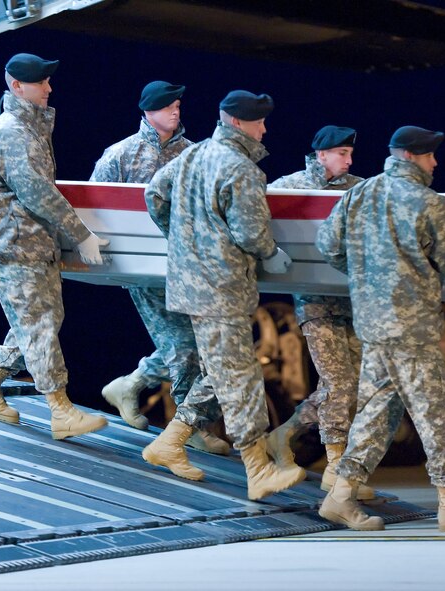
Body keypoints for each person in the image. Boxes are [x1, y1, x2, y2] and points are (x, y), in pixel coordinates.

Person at [315, 126, 445, 532]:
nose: (435, 163)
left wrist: (365, 277)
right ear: (413, 157)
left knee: (378, 410)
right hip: (411, 324)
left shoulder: (359, 194)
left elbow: (328, 245)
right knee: (437, 411)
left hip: (370, 321)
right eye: (430, 156)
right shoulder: (428, 204)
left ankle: (341, 495)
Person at [142, 90, 306, 500]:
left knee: (220, 372)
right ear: (238, 123)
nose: (264, 130)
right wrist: (272, 253)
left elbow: (154, 194)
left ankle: (169, 442)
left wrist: (184, 240)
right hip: (223, 287)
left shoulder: (193, 155)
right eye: (258, 122)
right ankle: (257, 470)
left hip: (188, 282)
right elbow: (251, 233)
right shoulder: (241, 169)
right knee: (241, 377)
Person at [0, 53, 107, 439]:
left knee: (39, 322)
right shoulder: (12, 131)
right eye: (40, 82)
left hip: (29, 243)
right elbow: (37, 193)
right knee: (39, 325)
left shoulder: (28, 129)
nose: (49, 88)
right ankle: (60, 411)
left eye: (47, 81)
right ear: (17, 87)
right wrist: (80, 234)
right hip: (15, 246)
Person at [90, 80, 228, 455]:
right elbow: (96, 211)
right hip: (142, 270)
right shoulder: (120, 155)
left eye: (178, 105)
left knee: (199, 345)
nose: (175, 111)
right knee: (183, 346)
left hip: (189, 268)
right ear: (147, 110)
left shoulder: (194, 153)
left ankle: (131, 384)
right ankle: (191, 427)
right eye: (167, 105)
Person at [265, 126, 374, 499]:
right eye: (342, 153)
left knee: (352, 388)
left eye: (350, 153)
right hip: (315, 301)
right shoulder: (289, 187)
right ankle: (336, 467)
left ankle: (283, 435)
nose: (349, 160)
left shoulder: (360, 188)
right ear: (321, 154)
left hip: (353, 300)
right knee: (340, 385)